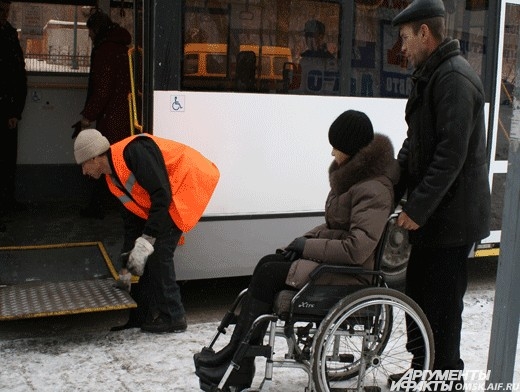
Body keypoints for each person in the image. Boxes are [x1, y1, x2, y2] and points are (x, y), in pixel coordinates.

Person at [194, 110, 399, 390]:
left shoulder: (373, 189)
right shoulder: (356, 181)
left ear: (352, 150)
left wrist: (308, 246)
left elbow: (356, 248)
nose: (331, 153)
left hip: (350, 275)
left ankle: (240, 363)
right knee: (268, 263)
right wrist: (299, 244)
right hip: (340, 267)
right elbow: (335, 228)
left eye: (336, 147)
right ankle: (236, 354)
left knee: (269, 274)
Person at [391, 0, 491, 387]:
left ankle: (447, 378)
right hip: (436, 217)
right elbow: (415, 143)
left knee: (444, 306)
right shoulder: (431, 75)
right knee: (418, 297)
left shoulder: (454, 80)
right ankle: (422, 368)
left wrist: (416, 208)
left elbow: (450, 156)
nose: (402, 48)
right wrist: (391, 184)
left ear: (424, 33)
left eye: (405, 38)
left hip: (453, 219)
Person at [73, 129, 220, 333]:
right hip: (165, 197)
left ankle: (174, 317)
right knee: (144, 256)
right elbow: (131, 223)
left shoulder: (134, 152)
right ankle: (140, 317)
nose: (84, 172)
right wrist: (127, 266)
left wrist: (148, 239)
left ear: (96, 156)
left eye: (84, 164)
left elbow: (162, 195)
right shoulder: (112, 180)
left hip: (187, 182)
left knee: (159, 253)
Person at [76, 9, 132, 219]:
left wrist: (88, 116)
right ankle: (114, 204)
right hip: (123, 114)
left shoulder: (105, 51)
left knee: (100, 159)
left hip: (111, 117)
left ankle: (97, 206)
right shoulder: (121, 47)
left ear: (97, 30)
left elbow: (102, 89)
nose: (90, 37)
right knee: (117, 159)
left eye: (90, 33)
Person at [0, 0, 27, 220]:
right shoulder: (8, 35)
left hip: (8, 108)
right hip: (7, 106)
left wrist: (15, 111)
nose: (4, 13)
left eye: (6, 9)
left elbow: (17, 74)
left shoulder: (9, 34)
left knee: (8, 160)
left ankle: (7, 202)